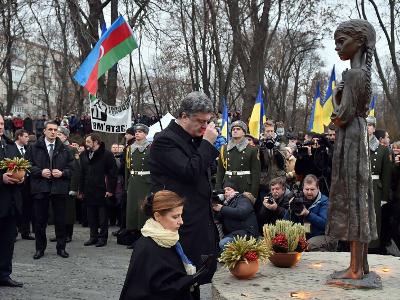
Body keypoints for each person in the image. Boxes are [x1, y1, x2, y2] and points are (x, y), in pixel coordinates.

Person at [149, 91, 219, 299]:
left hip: (197, 221)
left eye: (208, 122)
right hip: (178, 224)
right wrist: (207, 143)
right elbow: (189, 172)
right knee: (178, 283)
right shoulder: (164, 141)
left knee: (193, 280)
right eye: (200, 121)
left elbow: (206, 170)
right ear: (183, 116)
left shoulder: (193, 138)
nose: (205, 127)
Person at [326, 19, 377, 279]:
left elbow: (340, 116)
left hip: (350, 135)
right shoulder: (362, 74)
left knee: (354, 198)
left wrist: (337, 95)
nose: (337, 47)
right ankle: (360, 266)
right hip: (357, 135)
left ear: (359, 43)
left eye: (341, 41)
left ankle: (356, 269)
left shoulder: (354, 75)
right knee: (359, 197)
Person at [120, 190, 211, 300]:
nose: (181, 221)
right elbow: (158, 290)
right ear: (157, 216)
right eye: (175, 217)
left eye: (181, 215)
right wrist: (192, 278)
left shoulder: (168, 238)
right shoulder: (148, 247)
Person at [25, 121, 74, 259]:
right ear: (44, 131)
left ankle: (61, 247)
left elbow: (72, 168)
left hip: (59, 188)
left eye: (55, 130)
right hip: (40, 188)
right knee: (40, 221)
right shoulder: (34, 147)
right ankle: (40, 249)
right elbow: (27, 165)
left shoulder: (65, 149)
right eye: (50, 129)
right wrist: (39, 172)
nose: (53, 132)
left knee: (60, 220)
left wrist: (63, 173)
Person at [80, 133, 117, 247]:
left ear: (95, 142)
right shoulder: (85, 154)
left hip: (102, 190)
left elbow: (112, 173)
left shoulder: (107, 154)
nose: (86, 144)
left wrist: (110, 189)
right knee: (91, 216)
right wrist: (81, 190)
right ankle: (93, 236)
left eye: (88, 142)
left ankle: (103, 238)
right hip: (89, 190)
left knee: (102, 217)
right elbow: (82, 173)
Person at [0, 114, 24, 287]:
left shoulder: (9, 145)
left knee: (8, 240)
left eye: (1, 123)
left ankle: (4, 274)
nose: (0, 126)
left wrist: (22, 177)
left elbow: (21, 166)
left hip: (11, 202)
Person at [284, 175, 336, 251]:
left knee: (309, 245)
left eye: (312, 189)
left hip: (326, 235)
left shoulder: (324, 202)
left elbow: (325, 225)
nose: (309, 192)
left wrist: (308, 214)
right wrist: (291, 208)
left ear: (318, 189)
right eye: (307, 189)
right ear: (303, 189)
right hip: (308, 235)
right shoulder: (299, 200)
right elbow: (286, 221)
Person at [366, 117, 392, 253]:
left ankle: (373, 248)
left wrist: (384, 197)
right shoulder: (357, 147)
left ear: (374, 128)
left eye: (370, 125)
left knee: (375, 218)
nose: (367, 127)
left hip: (375, 186)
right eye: (365, 125)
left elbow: (386, 176)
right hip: (361, 185)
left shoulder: (383, 150)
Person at [216, 120, 260, 198]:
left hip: (245, 185)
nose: (235, 131)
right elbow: (220, 171)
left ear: (244, 132)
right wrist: (218, 188)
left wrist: (253, 194)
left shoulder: (252, 149)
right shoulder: (224, 149)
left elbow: (255, 173)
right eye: (233, 129)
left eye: (238, 129)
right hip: (228, 184)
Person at [125, 124, 152, 249]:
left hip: (146, 182)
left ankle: (144, 239)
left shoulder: (151, 148)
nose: (137, 134)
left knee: (143, 211)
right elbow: (127, 168)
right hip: (134, 181)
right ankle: (134, 237)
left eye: (140, 132)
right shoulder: (130, 148)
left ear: (146, 134)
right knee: (133, 210)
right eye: (136, 132)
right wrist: (127, 184)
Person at [212, 182, 259, 250]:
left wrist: (222, 208)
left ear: (235, 191)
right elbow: (218, 219)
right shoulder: (226, 203)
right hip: (235, 233)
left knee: (223, 243)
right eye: (224, 190)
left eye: (229, 189)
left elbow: (241, 213)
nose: (226, 192)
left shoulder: (242, 199)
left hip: (247, 233)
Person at [14, 129, 35, 240]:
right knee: (15, 207)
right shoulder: (10, 148)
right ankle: (13, 232)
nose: (28, 139)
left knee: (27, 207)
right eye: (26, 136)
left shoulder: (28, 149)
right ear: (19, 137)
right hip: (14, 184)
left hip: (26, 183)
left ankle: (25, 232)